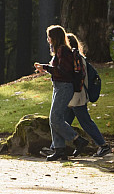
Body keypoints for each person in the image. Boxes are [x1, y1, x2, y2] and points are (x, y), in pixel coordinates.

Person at [64, 34, 114, 162]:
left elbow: (76, 78)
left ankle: (103, 145)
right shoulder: (78, 57)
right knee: (64, 121)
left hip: (76, 96)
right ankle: (57, 147)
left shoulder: (75, 58)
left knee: (85, 122)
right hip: (74, 96)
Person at [34, 24, 80, 161]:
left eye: (49, 37)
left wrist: (46, 68)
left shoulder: (63, 50)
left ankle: (77, 139)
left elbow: (63, 71)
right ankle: (59, 149)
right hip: (59, 86)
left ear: (54, 37)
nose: (48, 39)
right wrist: (46, 68)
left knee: (55, 117)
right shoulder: (58, 51)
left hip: (65, 86)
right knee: (54, 118)